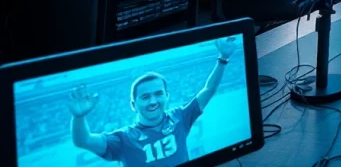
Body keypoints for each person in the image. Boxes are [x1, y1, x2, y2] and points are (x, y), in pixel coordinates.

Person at [68, 37, 238, 166]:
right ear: (133, 105)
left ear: (167, 96)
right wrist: (78, 117)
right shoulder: (123, 138)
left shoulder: (180, 117)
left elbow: (208, 90)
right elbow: (84, 140)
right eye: (145, 97)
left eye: (158, 94)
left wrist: (223, 58)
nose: (153, 101)